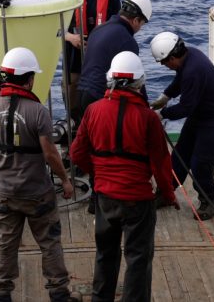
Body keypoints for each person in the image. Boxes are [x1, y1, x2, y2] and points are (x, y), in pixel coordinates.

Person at [70, 51, 178, 302]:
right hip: (137, 200)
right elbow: (162, 164)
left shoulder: (94, 110)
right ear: (139, 83)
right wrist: (168, 194)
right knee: (138, 259)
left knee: (105, 254)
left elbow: (77, 153)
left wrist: (99, 173)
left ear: (109, 80)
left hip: (105, 196)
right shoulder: (148, 118)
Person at [0, 47, 76, 302]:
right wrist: (65, 179)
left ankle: (1, 293)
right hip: (37, 194)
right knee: (50, 242)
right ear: (29, 78)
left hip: (3, 193)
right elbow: (50, 154)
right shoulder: (38, 111)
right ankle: (58, 293)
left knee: (5, 245)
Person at [76, 0, 152, 214]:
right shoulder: (127, 40)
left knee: (92, 148)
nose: (140, 29)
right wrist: (145, 109)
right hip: (101, 98)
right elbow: (134, 78)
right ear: (136, 20)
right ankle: (105, 197)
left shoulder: (100, 29)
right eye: (142, 24)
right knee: (109, 150)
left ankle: (95, 197)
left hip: (83, 95)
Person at [149, 32, 214, 220]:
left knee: (201, 162)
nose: (165, 66)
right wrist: (165, 97)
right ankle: (166, 193)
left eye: (164, 62)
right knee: (179, 155)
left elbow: (186, 107)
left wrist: (161, 114)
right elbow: (180, 79)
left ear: (172, 57)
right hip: (200, 113)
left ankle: (208, 202)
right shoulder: (190, 55)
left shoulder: (194, 70)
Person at [63, 0, 121, 121]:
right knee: (71, 94)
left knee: (98, 102)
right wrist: (70, 37)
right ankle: (74, 128)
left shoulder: (112, 0)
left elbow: (116, 31)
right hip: (73, 57)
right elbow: (53, 28)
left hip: (99, 60)